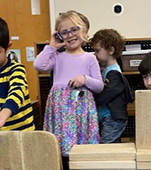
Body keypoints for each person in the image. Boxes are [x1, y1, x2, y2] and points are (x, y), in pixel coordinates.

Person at [33, 10, 103, 168]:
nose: (70, 34)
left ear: (84, 31)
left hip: (81, 108)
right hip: (61, 109)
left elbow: (99, 86)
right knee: (61, 147)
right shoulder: (57, 56)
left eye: (74, 29)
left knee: (81, 148)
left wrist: (84, 79)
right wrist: (52, 46)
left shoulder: (90, 58)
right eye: (64, 32)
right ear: (59, 36)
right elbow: (38, 65)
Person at [90, 29, 134, 144]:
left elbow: (106, 94)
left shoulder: (114, 73)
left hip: (113, 119)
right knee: (110, 144)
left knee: (106, 146)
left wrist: (91, 99)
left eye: (97, 51)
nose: (94, 54)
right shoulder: (108, 71)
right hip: (108, 118)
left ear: (110, 50)